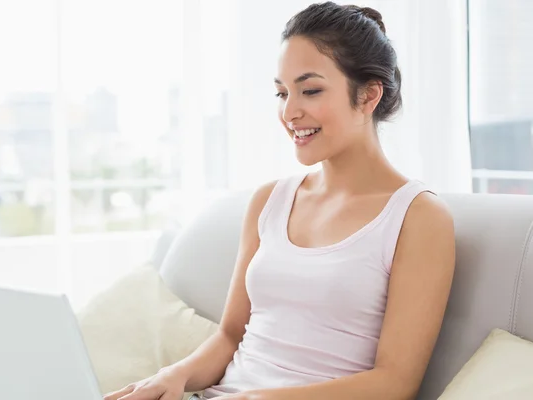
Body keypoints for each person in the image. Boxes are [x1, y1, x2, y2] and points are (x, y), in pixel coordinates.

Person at [105, 2, 456, 400]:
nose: (289, 112)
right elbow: (229, 336)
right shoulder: (269, 200)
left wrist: (259, 399)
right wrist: (173, 377)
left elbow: (395, 383)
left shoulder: (418, 218)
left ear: (369, 95)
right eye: (281, 92)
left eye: (310, 90)